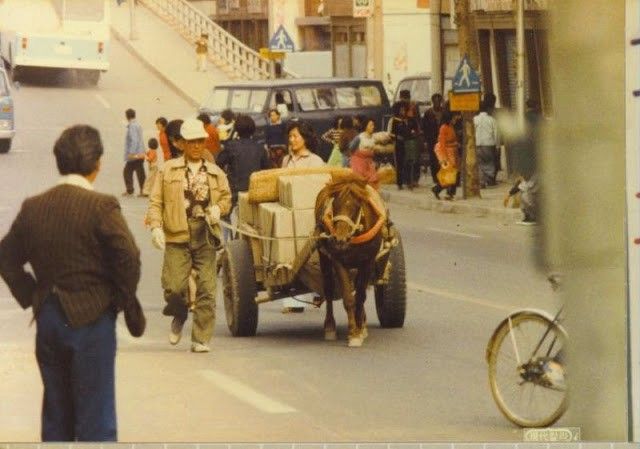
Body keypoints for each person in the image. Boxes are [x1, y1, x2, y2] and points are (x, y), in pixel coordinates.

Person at [0, 125, 145, 441]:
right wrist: (117, 300)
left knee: (56, 417)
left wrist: (33, 294)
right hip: (92, 320)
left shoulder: (34, 207)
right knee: (95, 419)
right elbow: (129, 257)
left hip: (49, 319)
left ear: (59, 161)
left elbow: (6, 257)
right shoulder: (101, 206)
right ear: (98, 165)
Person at [147, 118, 232, 353]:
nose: (196, 146)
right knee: (174, 288)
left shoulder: (215, 173)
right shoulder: (167, 170)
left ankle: (200, 338)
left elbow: (226, 198)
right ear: (182, 144)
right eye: (191, 142)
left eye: (200, 141)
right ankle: (179, 311)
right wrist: (156, 226)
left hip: (205, 234)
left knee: (207, 288)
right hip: (177, 234)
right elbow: (156, 201)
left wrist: (219, 209)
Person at [216, 115, 271, 240]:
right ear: (253, 129)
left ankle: (226, 246)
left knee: (225, 219)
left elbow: (218, 163)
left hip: (235, 193)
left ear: (237, 130)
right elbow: (267, 169)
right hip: (255, 194)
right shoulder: (260, 148)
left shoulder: (231, 146)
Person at [432, 110, 460, 200]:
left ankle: (446, 191)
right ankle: (443, 191)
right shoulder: (444, 128)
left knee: (453, 173)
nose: (455, 118)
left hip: (452, 152)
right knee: (450, 173)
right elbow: (442, 143)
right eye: (454, 117)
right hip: (446, 153)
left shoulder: (451, 126)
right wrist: (444, 158)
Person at [474, 101, 500, 188]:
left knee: (480, 163)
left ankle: (481, 182)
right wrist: (498, 146)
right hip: (489, 144)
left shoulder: (474, 119)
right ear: (487, 109)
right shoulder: (492, 120)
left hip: (477, 144)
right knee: (489, 162)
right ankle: (489, 180)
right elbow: (496, 134)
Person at [348, 117, 379, 190]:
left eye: (373, 125)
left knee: (372, 181)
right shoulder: (359, 137)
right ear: (366, 126)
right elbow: (351, 147)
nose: (373, 127)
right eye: (371, 125)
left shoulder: (373, 138)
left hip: (369, 163)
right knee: (360, 182)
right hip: (359, 163)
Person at [422, 93, 445, 185]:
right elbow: (424, 127)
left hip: (442, 139)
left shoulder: (444, 112)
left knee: (442, 159)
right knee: (433, 159)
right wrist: (425, 140)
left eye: (439, 101)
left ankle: (442, 176)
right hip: (432, 140)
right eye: (436, 101)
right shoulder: (428, 113)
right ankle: (435, 178)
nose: (437, 103)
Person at [123, 108, 146, 196]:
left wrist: (131, 153)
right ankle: (142, 190)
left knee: (127, 171)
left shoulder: (132, 126)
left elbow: (134, 140)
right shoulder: (137, 124)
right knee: (139, 171)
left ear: (127, 116)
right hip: (140, 152)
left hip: (135, 154)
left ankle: (131, 190)